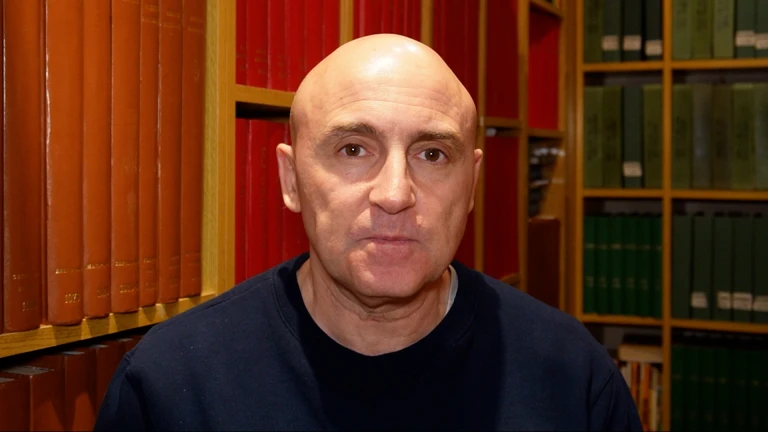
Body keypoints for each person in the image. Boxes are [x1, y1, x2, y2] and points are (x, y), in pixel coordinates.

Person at [94, 34, 642, 431]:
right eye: (353, 149)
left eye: (432, 154)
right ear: (291, 180)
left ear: (471, 184)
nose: (395, 193)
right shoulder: (171, 383)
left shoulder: (569, 375)